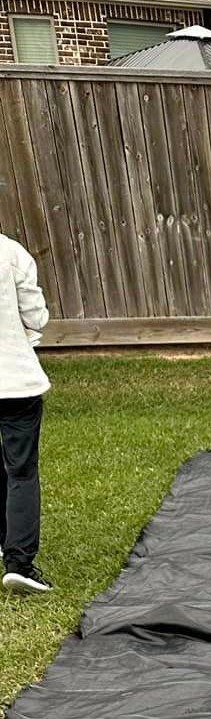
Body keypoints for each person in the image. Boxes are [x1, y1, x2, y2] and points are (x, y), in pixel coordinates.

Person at [0, 229, 52, 595]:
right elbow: (36, 315)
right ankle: (19, 563)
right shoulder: (11, 252)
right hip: (15, 381)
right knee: (20, 470)